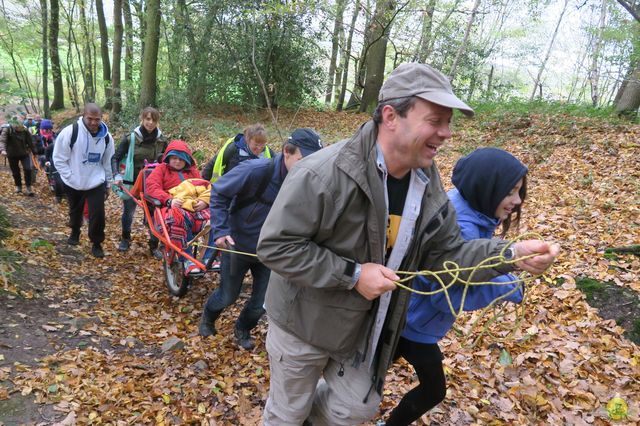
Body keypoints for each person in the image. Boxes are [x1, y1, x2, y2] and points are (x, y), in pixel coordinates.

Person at [256, 63, 560, 425]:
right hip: (302, 323)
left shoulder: (425, 182)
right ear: (391, 116)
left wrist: (509, 255)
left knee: (356, 407)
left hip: (364, 329)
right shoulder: (322, 173)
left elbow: (449, 253)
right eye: (435, 120)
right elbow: (276, 246)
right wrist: (353, 275)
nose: (446, 133)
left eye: (449, 122)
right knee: (287, 412)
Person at [384, 147, 529, 425]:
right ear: (487, 186)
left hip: (411, 318)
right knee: (432, 390)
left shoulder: (470, 210)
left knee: (367, 376)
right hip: (414, 322)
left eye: (519, 191)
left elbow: (466, 271)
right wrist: (508, 285)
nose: (517, 200)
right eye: (510, 191)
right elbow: (447, 294)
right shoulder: (463, 224)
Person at [198, 129, 323, 350]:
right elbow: (219, 192)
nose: (309, 166)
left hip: (272, 252)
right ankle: (208, 317)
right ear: (286, 152)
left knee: (261, 304)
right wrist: (220, 230)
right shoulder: (256, 170)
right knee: (228, 296)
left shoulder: (307, 182)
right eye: (303, 160)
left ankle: (243, 328)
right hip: (238, 245)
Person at [53, 103, 114, 258]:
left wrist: (108, 183)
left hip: (96, 181)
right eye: (90, 119)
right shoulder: (70, 132)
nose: (93, 123)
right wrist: (70, 176)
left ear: (102, 118)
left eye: (97, 119)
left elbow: (108, 161)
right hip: (74, 181)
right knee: (75, 210)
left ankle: (96, 243)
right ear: (83, 116)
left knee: (98, 214)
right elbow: (59, 159)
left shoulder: (106, 137)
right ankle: (75, 231)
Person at [145, 139, 211, 275]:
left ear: (186, 160)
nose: (177, 162)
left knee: (218, 217)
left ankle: (209, 256)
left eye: (181, 159)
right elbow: (152, 187)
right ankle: (186, 259)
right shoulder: (161, 169)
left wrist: (204, 201)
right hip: (171, 206)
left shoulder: (192, 172)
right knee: (177, 217)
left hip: (194, 206)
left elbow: (204, 186)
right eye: (174, 158)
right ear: (168, 158)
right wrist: (169, 200)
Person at [111, 107, 167, 257]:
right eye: (147, 119)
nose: (150, 122)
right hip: (133, 182)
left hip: (153, 185)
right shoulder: (131, 138)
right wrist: (116, 175)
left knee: (154, 215)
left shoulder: (162, 140)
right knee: (128, 212)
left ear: (157, 122)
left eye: (153, 120)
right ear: (142, 119)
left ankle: (154, 245)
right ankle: (125, 238)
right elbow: (115, 158)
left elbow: (167, 161)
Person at [200, 123, 272, 182]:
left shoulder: (267, 152)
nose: (259, 148)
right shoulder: (233, 148)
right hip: (229, 187)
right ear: (248, 140)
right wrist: (202, 182)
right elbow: (213, 164)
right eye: (256, 144)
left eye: (262, 145)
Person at [0, 117, 37, 196]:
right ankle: (18, 186)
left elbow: (30, 141)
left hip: (24, 153)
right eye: (18, 127)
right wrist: (2, 150)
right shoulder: (7, 129)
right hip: (12, 154)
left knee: (28, 169)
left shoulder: (25, 130)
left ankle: (28, 187)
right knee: (15, 171)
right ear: (14, 125)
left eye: (21, 126)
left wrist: (34, 152)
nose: (20, 128)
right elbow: (2, 140)